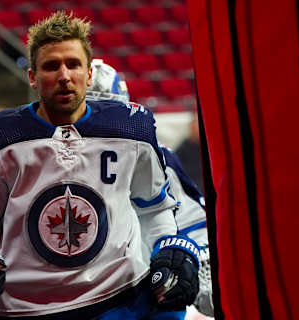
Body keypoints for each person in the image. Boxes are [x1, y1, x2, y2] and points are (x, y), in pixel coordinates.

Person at [0, 11, 200, 319]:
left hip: (124, 302)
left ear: (89, 73)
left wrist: (170, 249)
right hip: (27, 311)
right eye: (51, 66)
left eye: (73, 64)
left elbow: (154, 210)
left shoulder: (133, 128)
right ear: (32, 76)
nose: (64, 75)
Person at [86, 59, 214, 318]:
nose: (97, 121)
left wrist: (198, 277)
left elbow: (194, 223)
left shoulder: (154, 155)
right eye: (89, 110)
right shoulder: (34, 157)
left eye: (107, 110)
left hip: (141, 297)